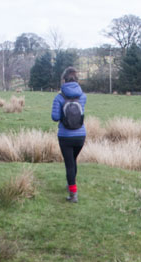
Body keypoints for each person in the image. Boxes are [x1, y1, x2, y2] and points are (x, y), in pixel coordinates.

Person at [51, 67, 87, 203]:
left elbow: (55, 117)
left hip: (65, 135)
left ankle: (73, 194)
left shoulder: (59, 97)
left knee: (69, 164)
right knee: (73, 161)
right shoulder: (83, 96)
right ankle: (71, 184)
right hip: (80, 135)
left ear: (64, 80)